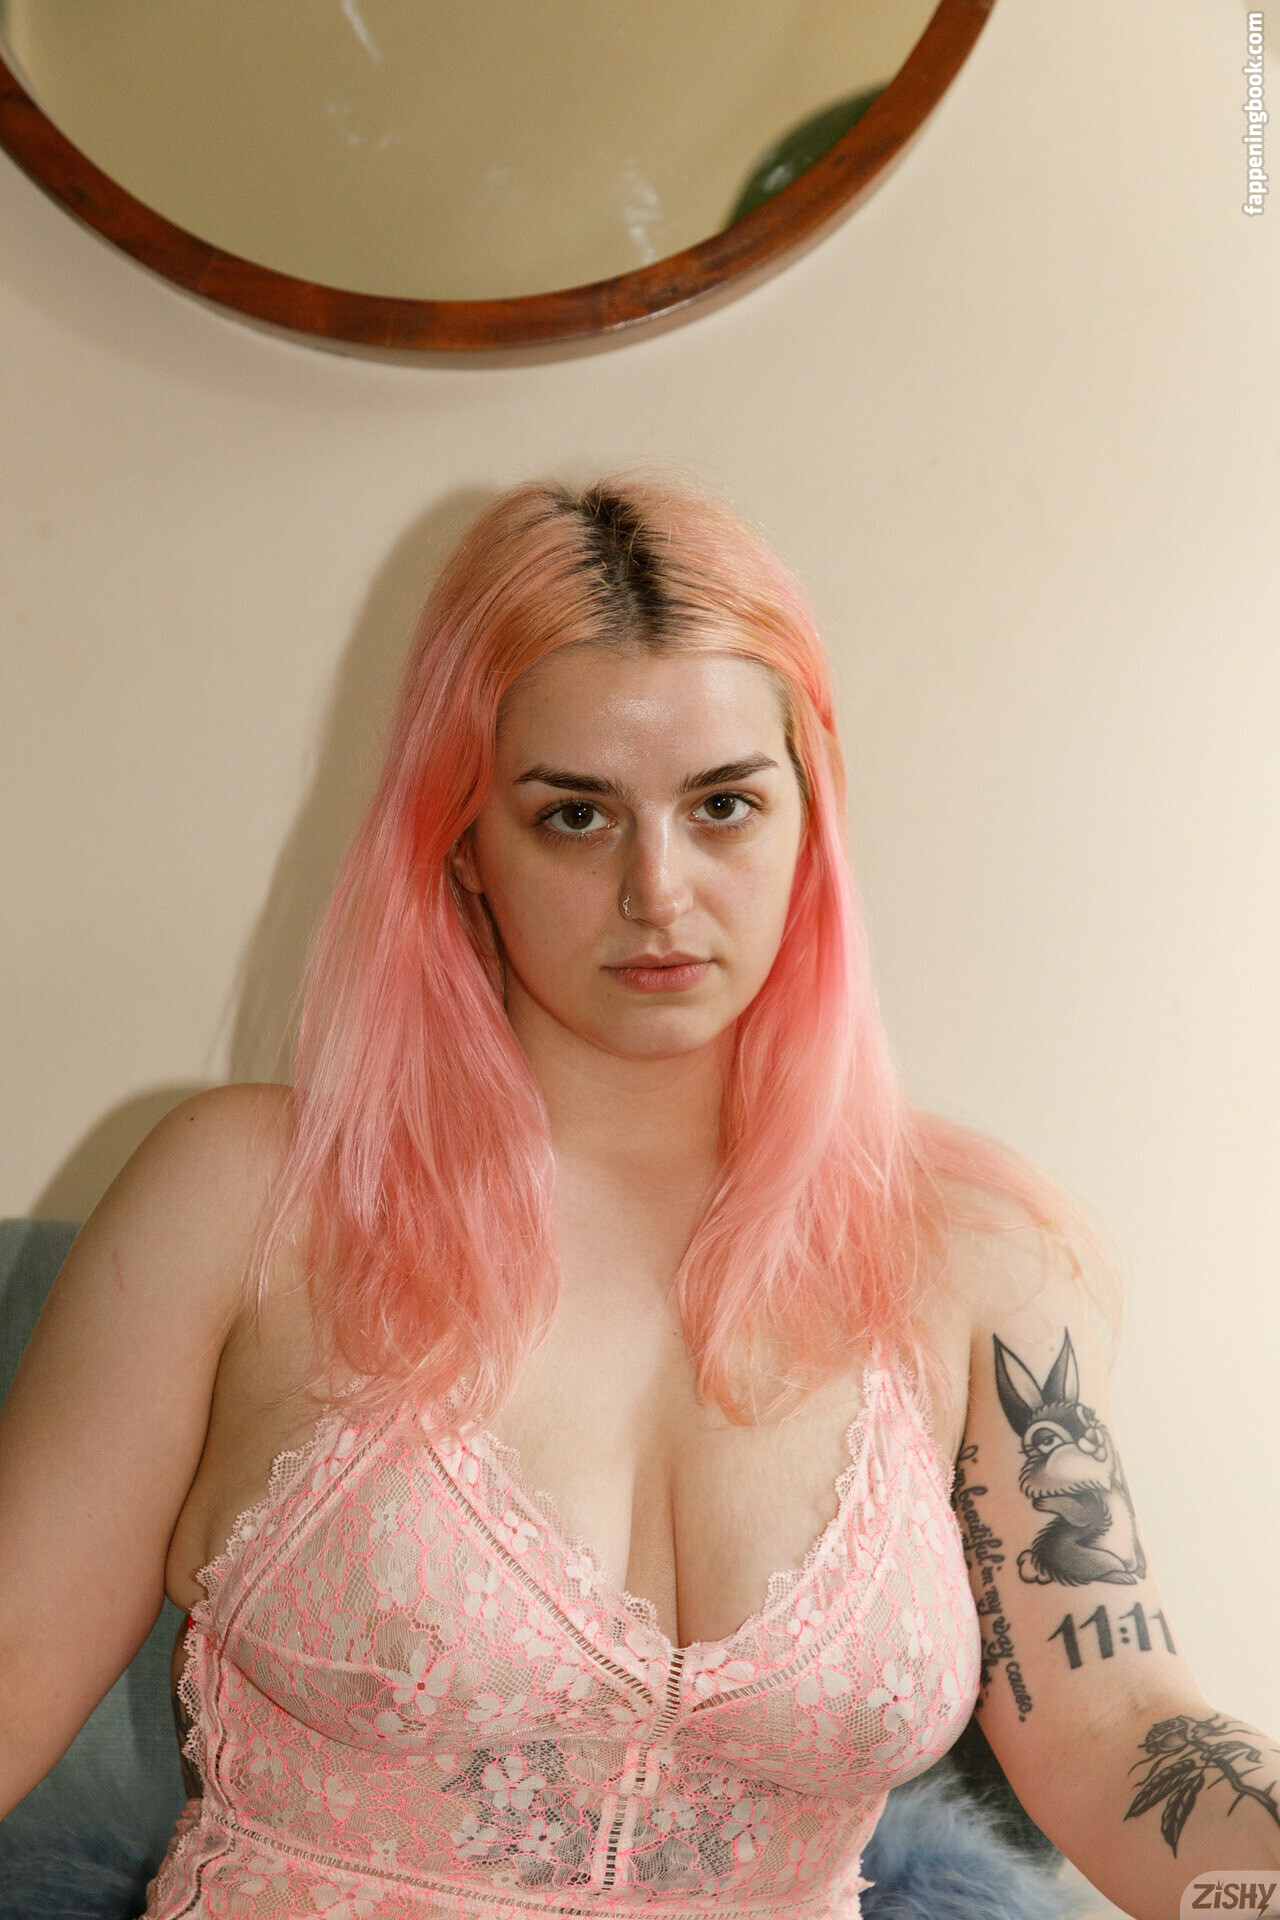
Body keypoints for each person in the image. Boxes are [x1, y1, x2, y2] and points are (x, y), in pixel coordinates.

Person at [0, 479, 1276, 1920]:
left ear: (811, 820)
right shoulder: (248, 1198)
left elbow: (1119, 1731)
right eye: (575, 816)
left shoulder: (978, 1255)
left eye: (723, 805)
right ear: (461, 841)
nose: (658, 891)